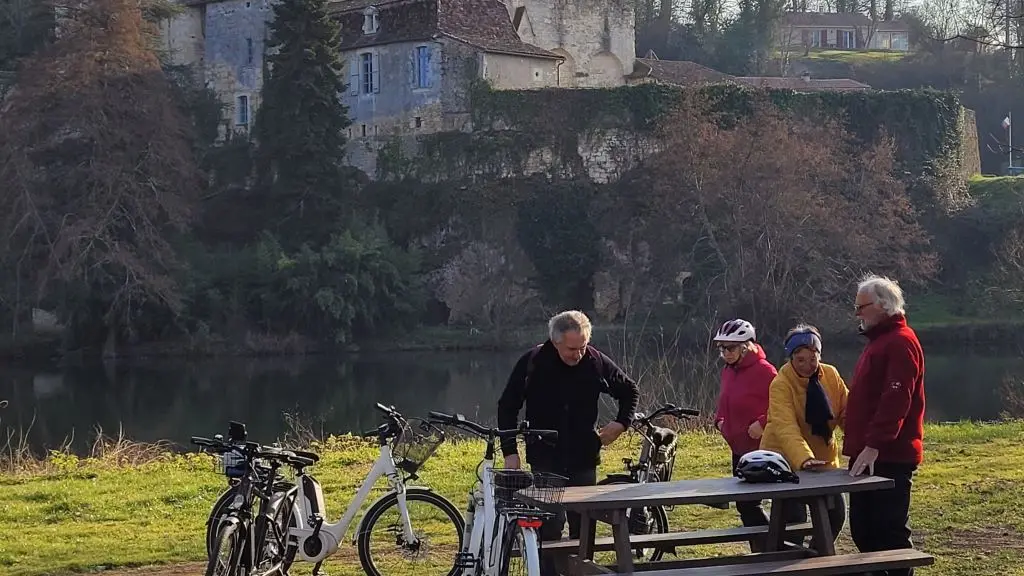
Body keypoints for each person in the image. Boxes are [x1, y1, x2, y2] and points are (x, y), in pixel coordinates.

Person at [497, 310, 639, 550]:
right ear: (555, 342)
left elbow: (630, 391)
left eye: (583, 346)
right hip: (545, 457)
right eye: (572, 349)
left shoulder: (594, 361)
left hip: (583, 456)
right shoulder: (533, 362)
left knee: (583, 526)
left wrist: (621, 423)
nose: (579, 354)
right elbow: (507, 407)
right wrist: (510, 451)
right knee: (550, 526)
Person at [844, 274, 926, 576]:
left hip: (888, 455)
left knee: (889, 532)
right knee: (864, 532)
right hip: (869, 453)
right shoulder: (880, 342)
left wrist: (873, 445)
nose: (857, 314)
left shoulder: (900, 342)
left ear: (883, 306)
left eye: (861, 307)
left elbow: (896, 399)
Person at [759, 324, 848, 549]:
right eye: (801, 360)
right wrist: (804, 459)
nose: (808, 365)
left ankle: (815, 556)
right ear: (791, 358)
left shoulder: (831, 375)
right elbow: (786, 427)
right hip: (786, 460)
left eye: (813, 358)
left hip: (823, 458)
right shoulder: (780, 383)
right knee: (792, 522)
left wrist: (863, 443)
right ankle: (787, 564)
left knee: (835, 514)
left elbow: (847, 412)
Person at [712, 319, 777, 545]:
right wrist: (719, 420)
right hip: (737, 448)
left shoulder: (766, 371)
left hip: (758, 449)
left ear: (746, 346)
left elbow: (782, 404)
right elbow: (724, 400)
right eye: (722, 348)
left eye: (730, 348)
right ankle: (762, 552)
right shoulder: (728, 371)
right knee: (744, 503)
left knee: (750, 503)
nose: (725, 353)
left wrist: (762, 422)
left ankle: (771, 549)